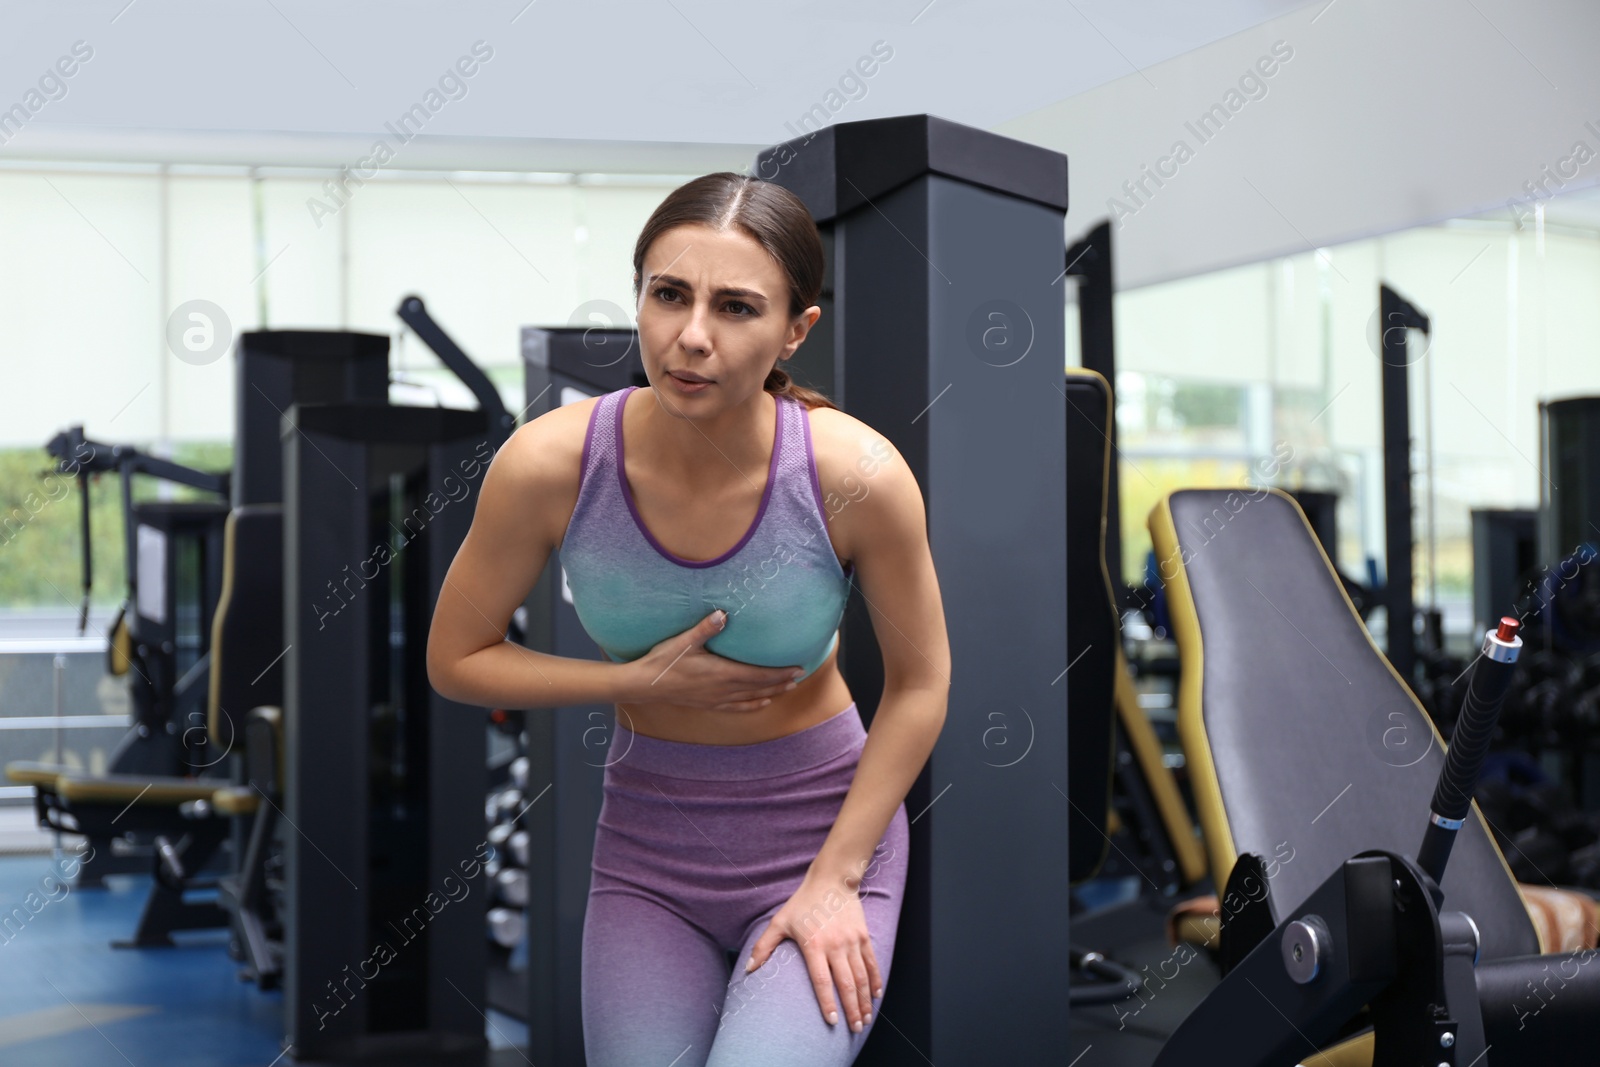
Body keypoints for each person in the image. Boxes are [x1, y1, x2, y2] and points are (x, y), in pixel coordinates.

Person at [427, 171, 950, 1066]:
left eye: (738, 308)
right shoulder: (549, 463)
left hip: (819, 835)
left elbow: (921, 684)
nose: (692, 337)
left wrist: (837, 877)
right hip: (646, 852)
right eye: (669, 294)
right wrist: (631, 680)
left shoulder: (857, 473)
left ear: (796, 329)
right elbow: (456, 656)